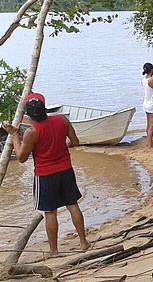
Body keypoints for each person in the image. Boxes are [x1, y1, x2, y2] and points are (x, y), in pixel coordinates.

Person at [3, 93, 89, 257]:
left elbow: (21, 157)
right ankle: (84, 242)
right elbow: (75, 142)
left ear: (28, 114)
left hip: (45, 175)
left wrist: (14, 135)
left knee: (50, 212)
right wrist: (60, 146)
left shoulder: (31, 132)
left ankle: (54, 251)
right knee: (72, 205)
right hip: (66, 169)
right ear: (44, 108)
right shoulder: (62, 120)